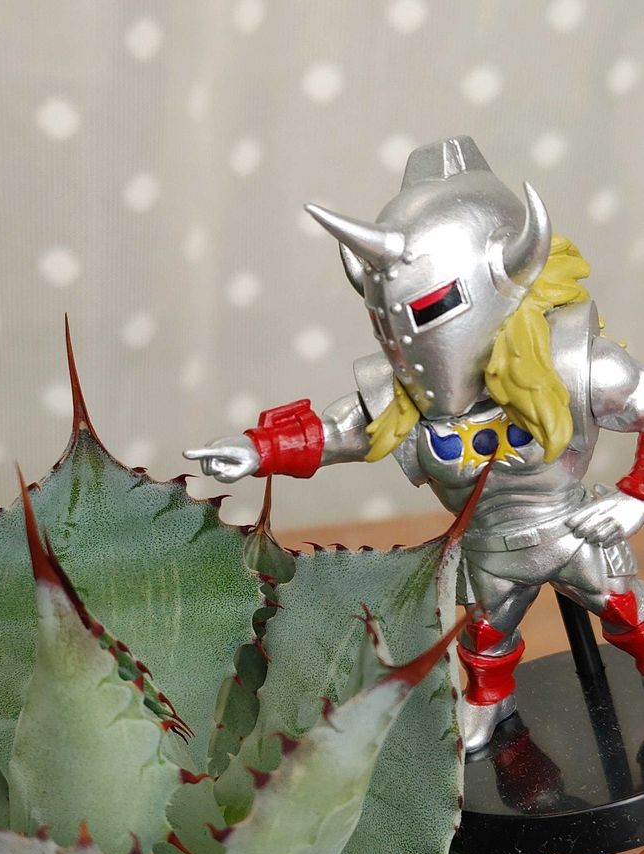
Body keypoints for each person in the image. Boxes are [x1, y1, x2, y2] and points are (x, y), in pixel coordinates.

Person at [184, 135, 644, 752]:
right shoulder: (404, 396)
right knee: (485, 639)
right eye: (389, 319)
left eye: (431, 308)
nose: (408, 338)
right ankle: (490, 701)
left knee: (631, 618)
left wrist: (633, 497)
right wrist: (257, 449)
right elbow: (339, 432)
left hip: (573, 530)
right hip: (487, 546)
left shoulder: (579, 367)